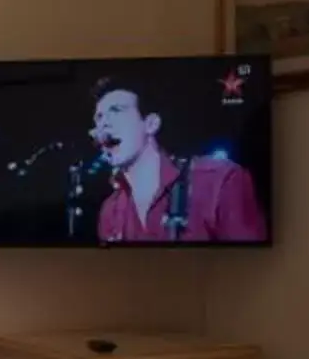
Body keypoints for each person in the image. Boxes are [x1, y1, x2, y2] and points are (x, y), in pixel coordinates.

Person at [88, 75, 266, 243]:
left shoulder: (220, 180)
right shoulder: (109, 211)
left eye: (116, 111)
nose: (103, 124)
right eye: (99, 117)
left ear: (151, 124)